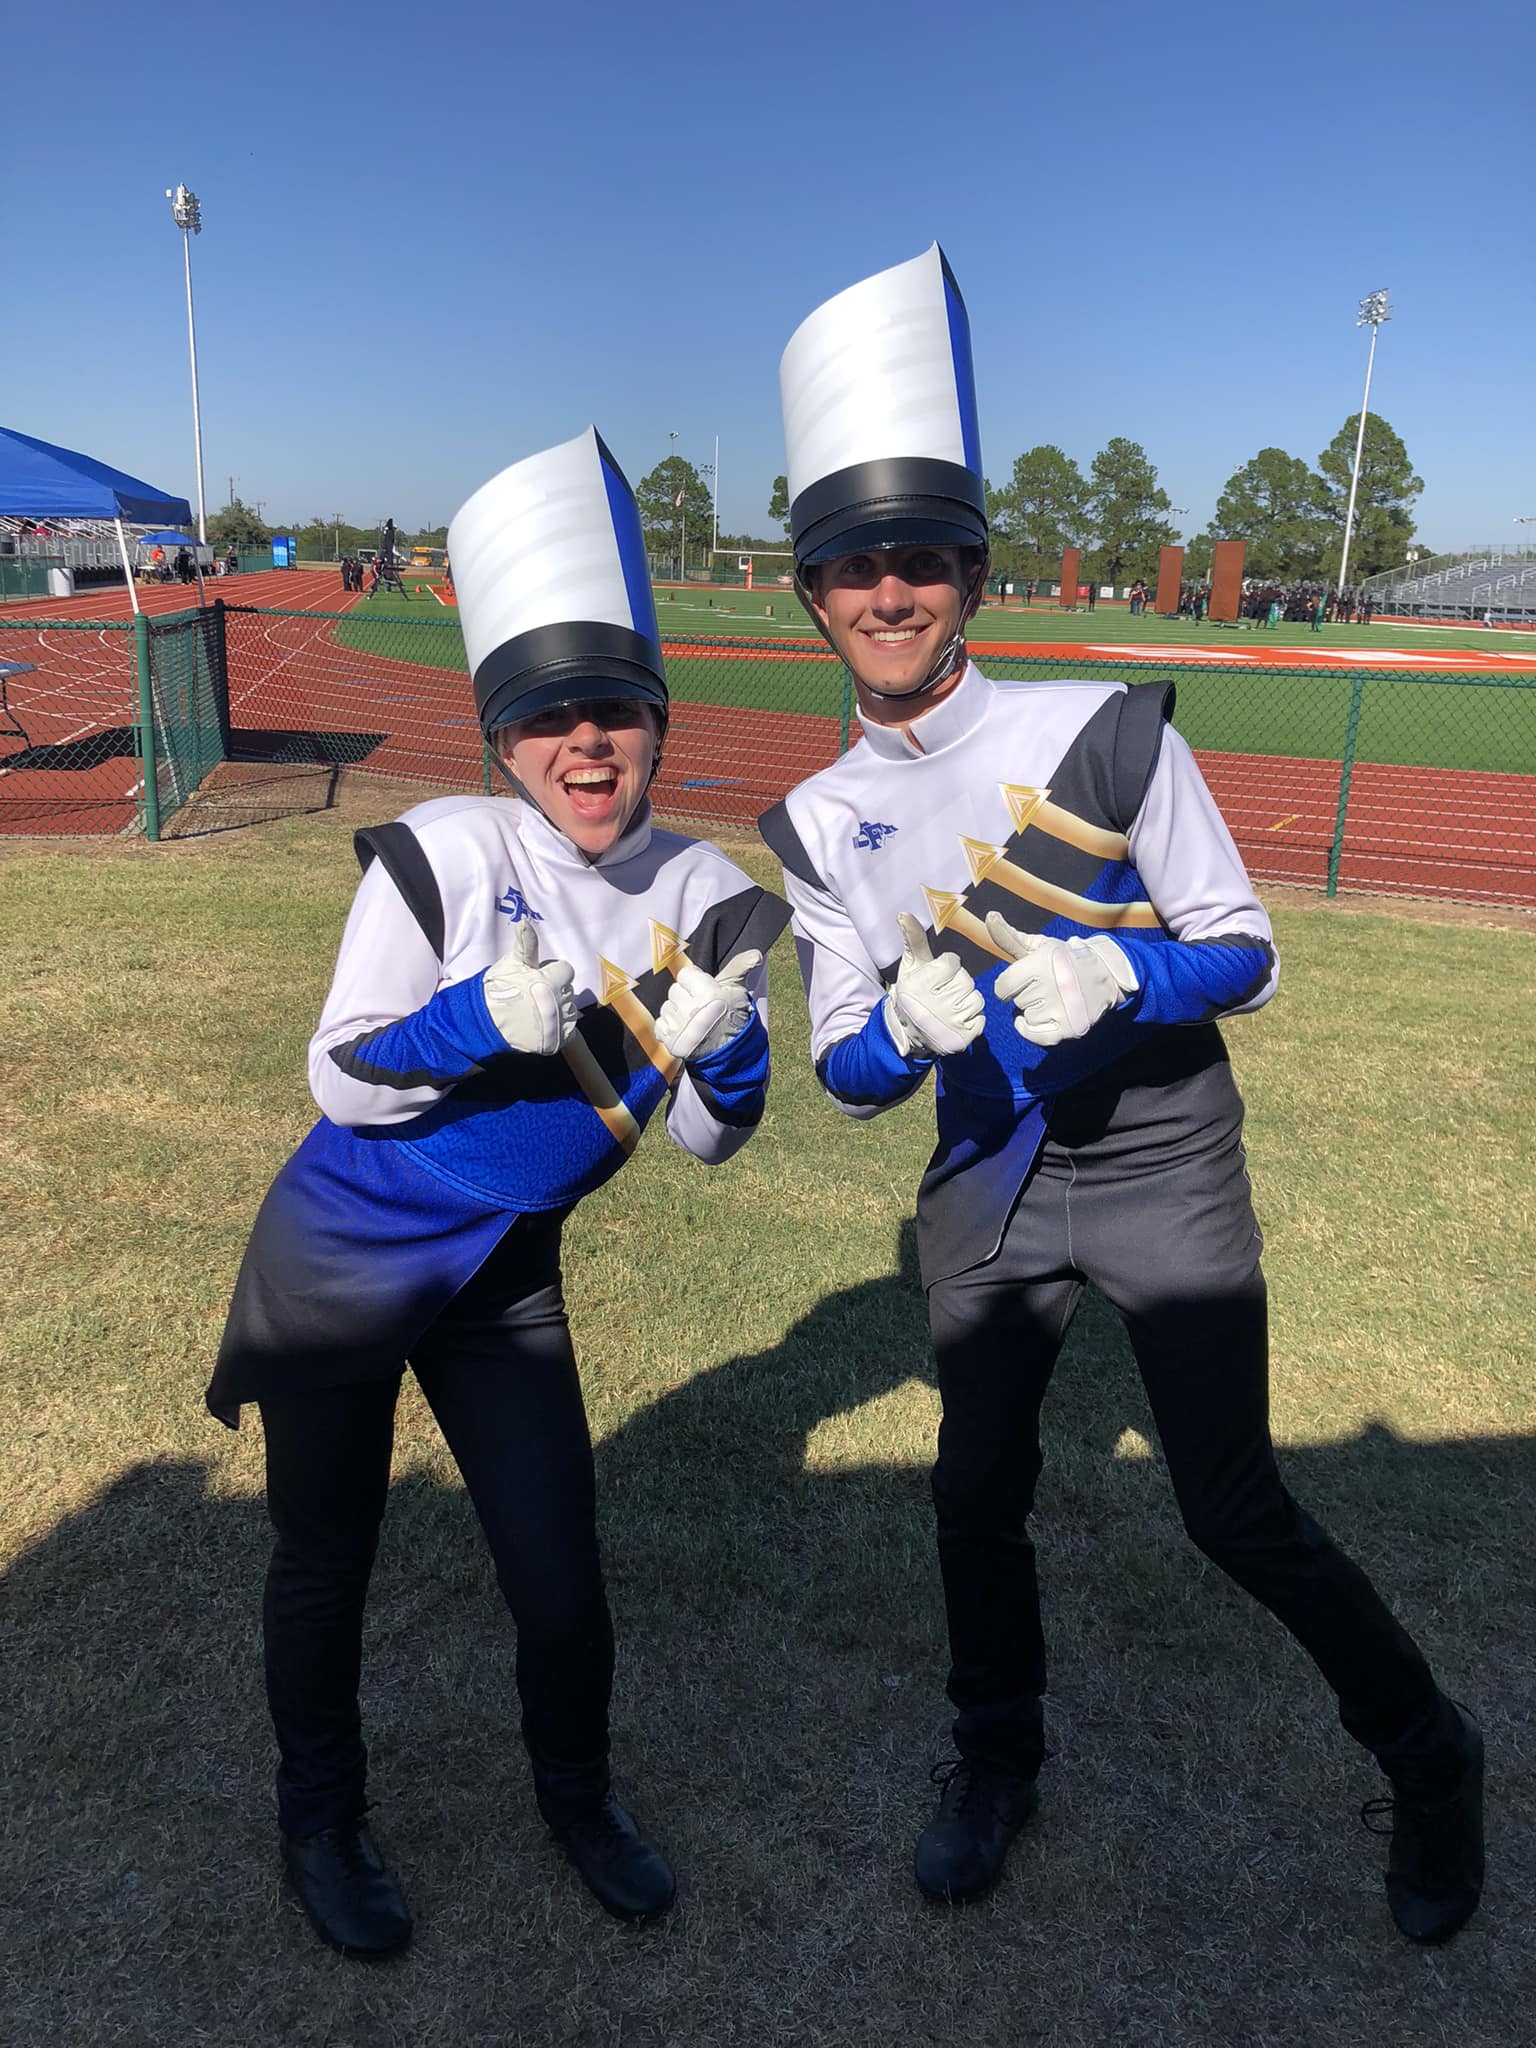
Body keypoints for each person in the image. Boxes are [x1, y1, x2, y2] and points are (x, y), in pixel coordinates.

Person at [757, 245, 1483, 1945]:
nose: (889, 593)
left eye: (922, 559)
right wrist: (906, 1035)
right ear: (811, 594)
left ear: (972, 577)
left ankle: (1433, 1756)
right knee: (972, 1488)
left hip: (1160, 1151)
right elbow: (847, 1076)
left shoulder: (1107, 731)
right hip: (987, 1178)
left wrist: (1127, 976)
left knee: (1231, 1508)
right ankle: (995, 1759)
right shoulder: (807, 823)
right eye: (853, 566)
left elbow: (1246, 950)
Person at [208, 426, 788, 1958]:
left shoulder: (711, 899)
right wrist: (473, 1018)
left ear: (658, 724)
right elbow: (337, 1079)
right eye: (547, 720)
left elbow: (711, 1145)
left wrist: (729, 1074)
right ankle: (320, 1823)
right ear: (502, 738)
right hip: (344, 1250)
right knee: (326, 1559)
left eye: (615, 713)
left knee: (559, 1570)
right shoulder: (446, 853)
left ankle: (578, 1797)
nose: (584, 746)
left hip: (505, 1279)